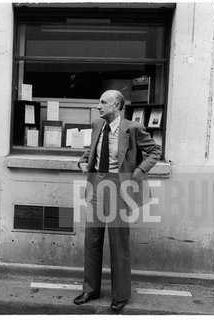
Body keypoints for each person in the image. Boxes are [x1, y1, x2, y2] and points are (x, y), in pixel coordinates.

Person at [74, 90, 161, 312]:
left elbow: (154, 150)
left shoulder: (132, 129)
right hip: (96, 184)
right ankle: (90, 289)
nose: (98, 106)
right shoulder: (97, 125)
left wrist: (138, 172)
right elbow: (91, 149)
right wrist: (83, 162)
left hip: (118, 188)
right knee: (92, 239)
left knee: (118, 242)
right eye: (99, 101)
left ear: (118, 106)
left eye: (103, 102)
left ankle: (120, 294)